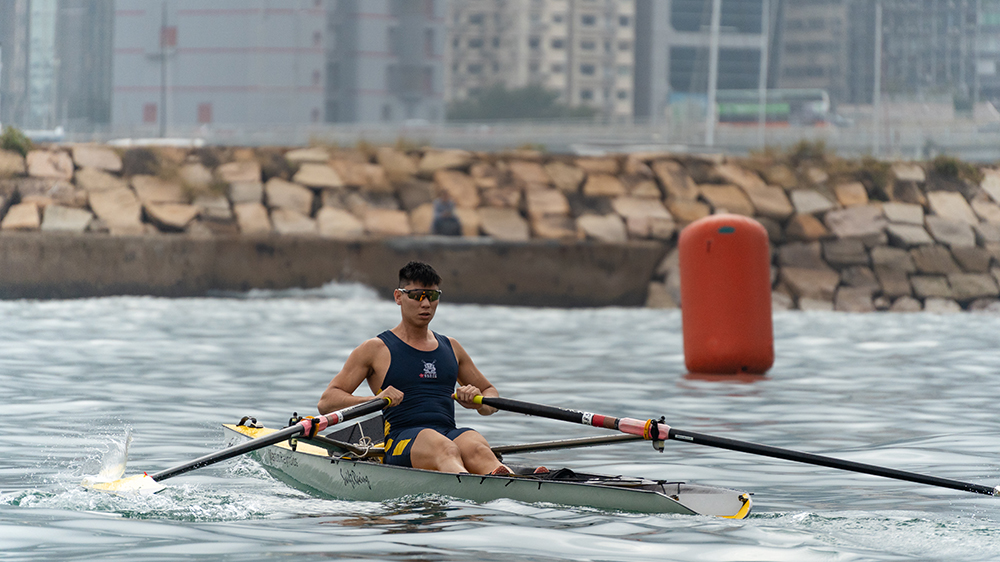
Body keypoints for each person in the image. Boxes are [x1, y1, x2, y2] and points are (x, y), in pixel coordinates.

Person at [317, 261, 510, 475]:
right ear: (398, 297)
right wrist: (374, 401)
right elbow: (327, 402)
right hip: (401, 440)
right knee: (444, 448)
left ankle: (511, 482)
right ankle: (466, 486)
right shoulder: (375, 349)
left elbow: (491, 396)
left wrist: (478, 403)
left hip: (448, 433)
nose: (426, 304)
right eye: (417, 295)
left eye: (433, 296)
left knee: (477, 446)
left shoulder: (452, 347)